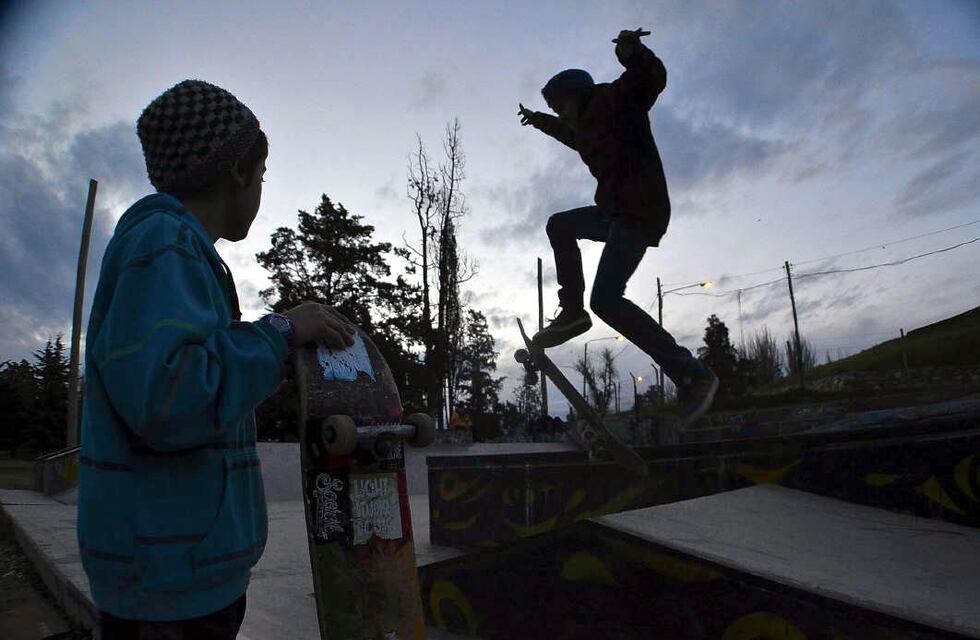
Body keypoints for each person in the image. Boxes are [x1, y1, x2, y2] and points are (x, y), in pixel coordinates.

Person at [76, 79, 354, 639]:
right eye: (263, 175)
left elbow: (199, 387)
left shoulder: (179, 251)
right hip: (169, 591)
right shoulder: (163, 244)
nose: (262, 191)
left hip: (185, 572)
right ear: (237, 173)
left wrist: (270, 357)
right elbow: (170, 397)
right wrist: (280, 331)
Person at [517, 28, 718, 422]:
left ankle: (692, 374)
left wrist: (634, 53)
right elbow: (568, 133)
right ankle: (573, 312)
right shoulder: (583, 128)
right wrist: (539, 120)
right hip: (613, 213)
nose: (560, 114)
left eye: (559, 106)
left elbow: (650, 80)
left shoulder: (615, 99)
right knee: (559, 224)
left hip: (640, 211)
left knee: (607, 300)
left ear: (575, 95)